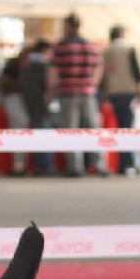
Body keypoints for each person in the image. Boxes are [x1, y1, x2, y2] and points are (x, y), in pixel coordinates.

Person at [49, 13, 109, 178]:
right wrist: (92, 84)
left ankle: (75, 166)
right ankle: (100, 164)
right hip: (88, 93)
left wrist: (51, 92)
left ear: (67, 26)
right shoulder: (90, 45)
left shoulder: (61, 47)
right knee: (94, 129)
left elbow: (53, 73)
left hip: (68, 93)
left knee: (70, 130)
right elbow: (99, 68)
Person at [101, 24, 140, 177]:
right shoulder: (130, 48)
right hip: (128, 91)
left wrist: (105, 93)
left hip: (113, 92)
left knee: (118, 128)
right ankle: (129, 162)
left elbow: (104, 73)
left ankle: (120, 164)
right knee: (128, 128)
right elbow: (136, 72)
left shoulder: (107, 50)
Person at [18, 38, 55, 176]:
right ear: (45, 51)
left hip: (32, 104)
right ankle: (46, 167)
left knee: (39, 135)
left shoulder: (27, 64)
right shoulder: (43, 66)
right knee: (46, 136)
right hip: (42, 105)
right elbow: (48, 86)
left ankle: (40, 167)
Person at [0, 42, 32, 175]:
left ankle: (20, 164)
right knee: (19, 128)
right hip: (13, 98)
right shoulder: (12, 67)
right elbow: (3, 83)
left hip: (22, 100)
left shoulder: (29, 67)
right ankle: (18, 164)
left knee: (21, 130)